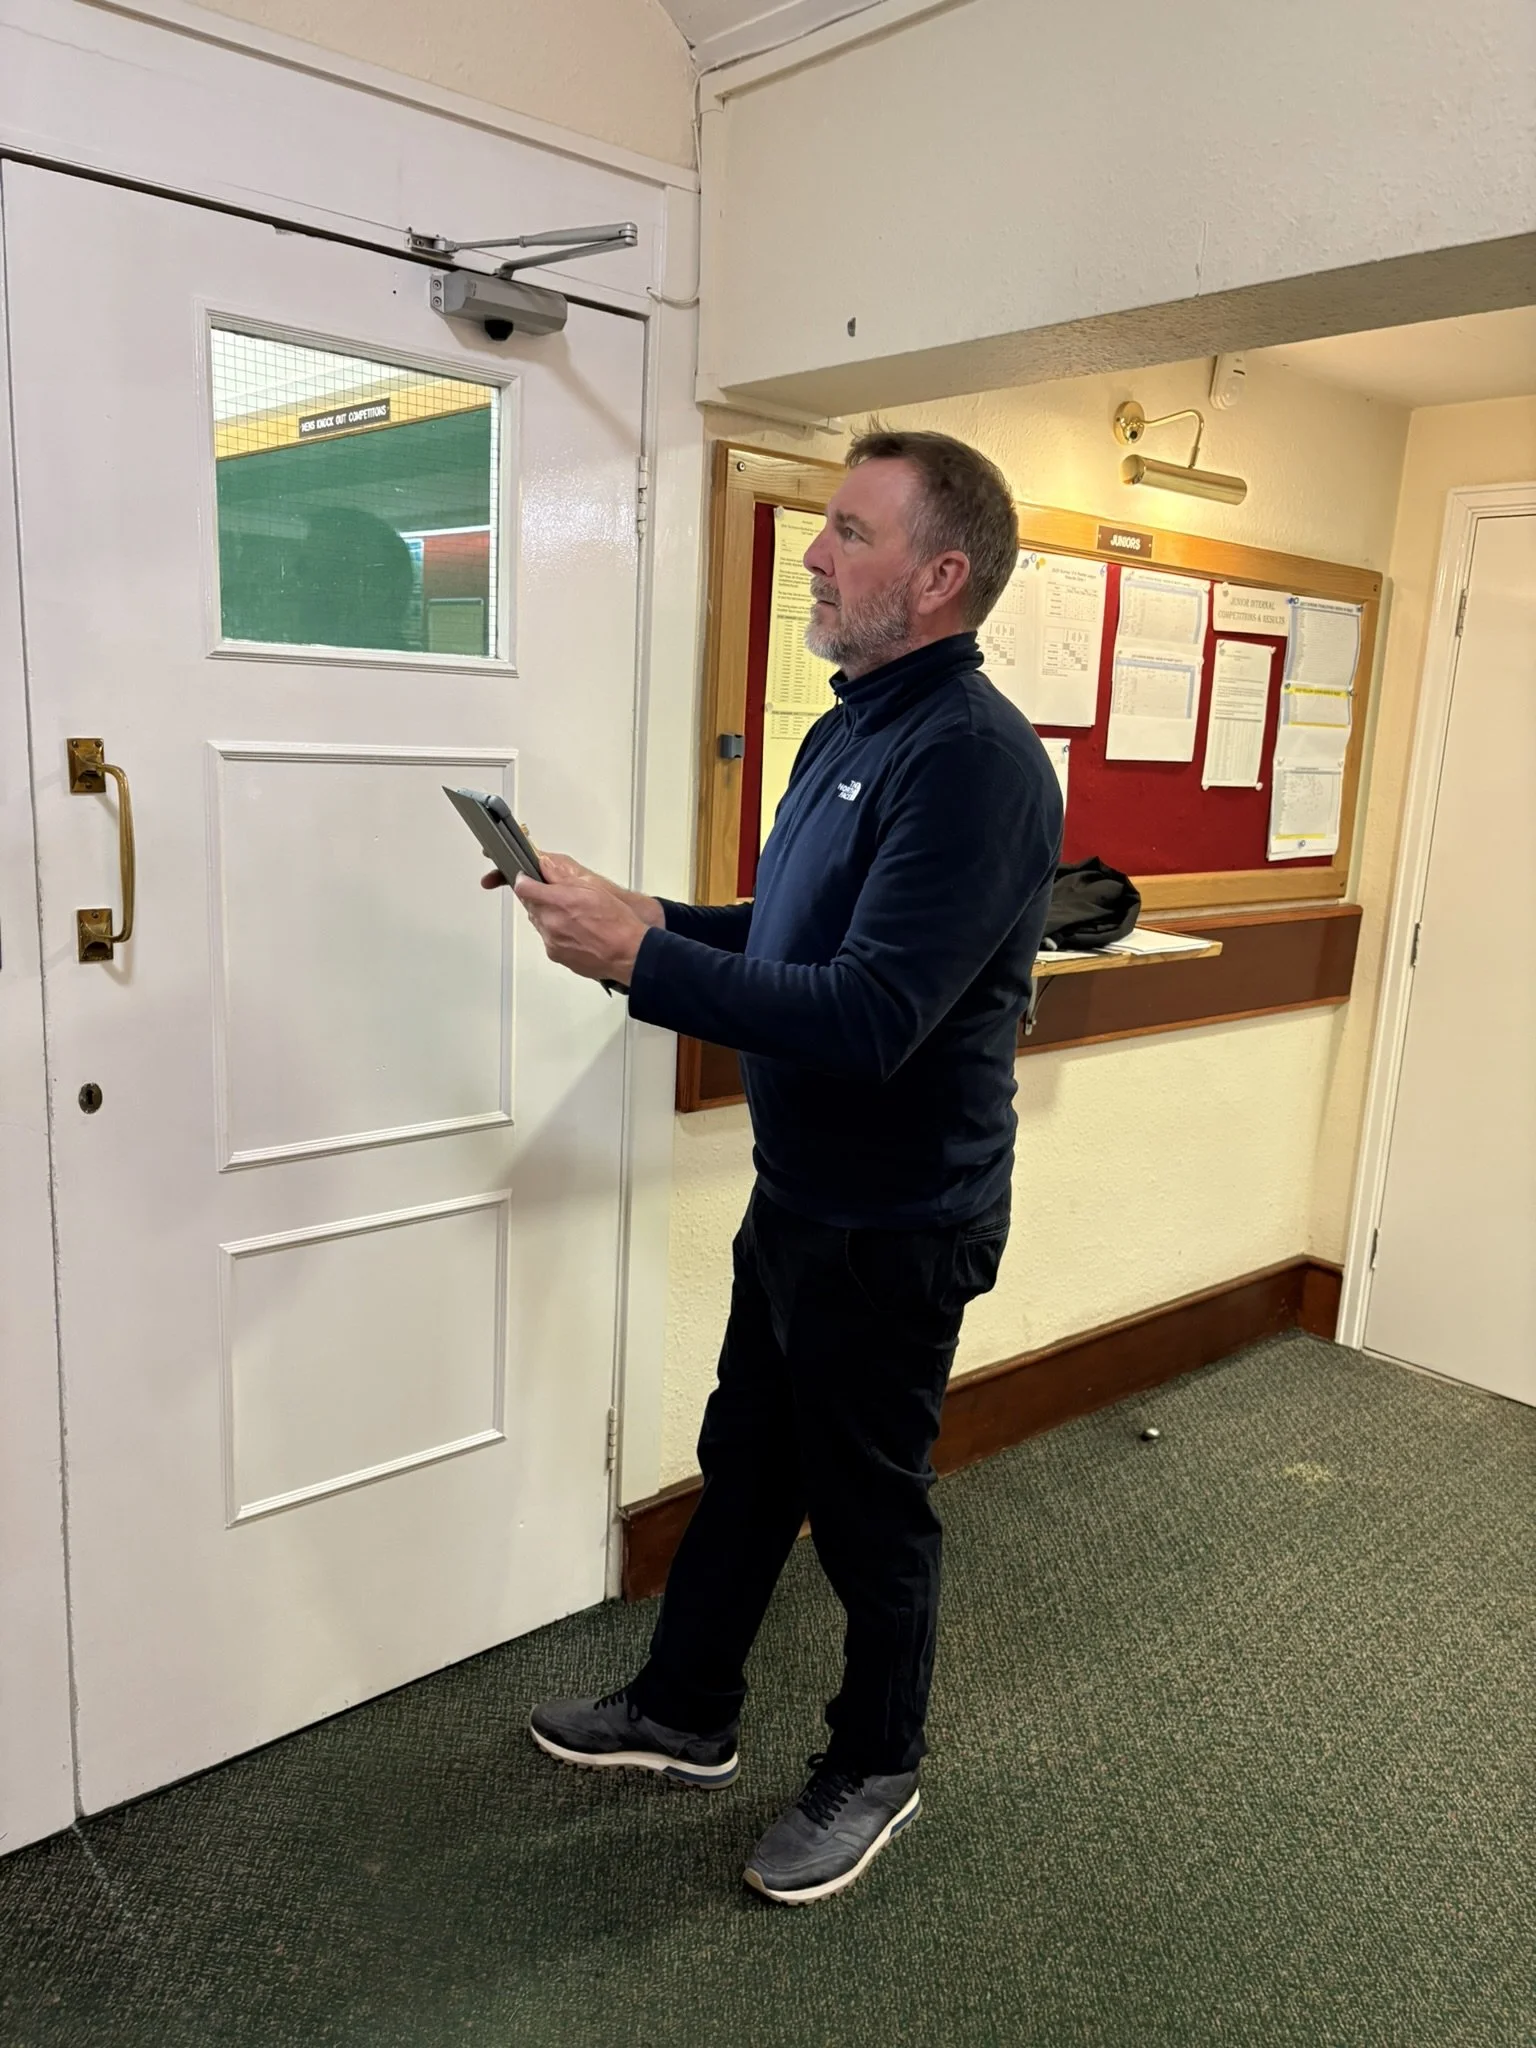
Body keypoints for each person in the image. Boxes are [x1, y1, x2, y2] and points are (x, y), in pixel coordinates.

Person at [486, 429, 1063, 1905]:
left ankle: (877, 1764)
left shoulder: (977, 763)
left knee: (870, 1508)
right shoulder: (847, 732)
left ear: (939, 577)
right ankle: (686, 1711)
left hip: (902, 1219)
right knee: (747, 1459)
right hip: (801, 1193)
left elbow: (871, 1015)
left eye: (851, 533)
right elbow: (791, 934)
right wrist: (646, 915)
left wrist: (643, 962)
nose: (812, 554)